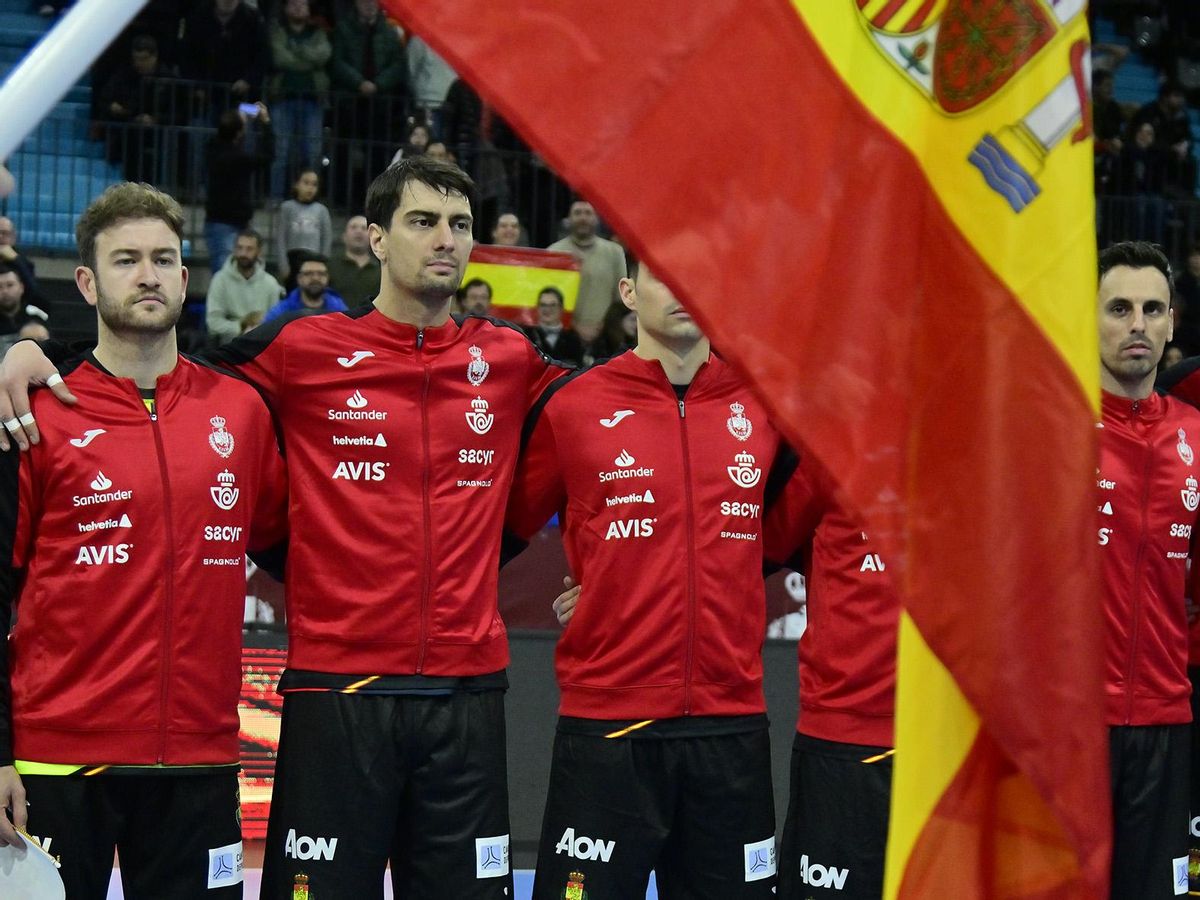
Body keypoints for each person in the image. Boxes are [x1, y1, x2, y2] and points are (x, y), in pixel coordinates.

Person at [0, 156, 573, 897]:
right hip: (309, 698)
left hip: (441, 701)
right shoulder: (296, 351)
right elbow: (147, 375)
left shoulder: (512, 358)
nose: (445, 240)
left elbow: (627, 400)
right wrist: (25, 352)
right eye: (424, 220)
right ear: (374, 238)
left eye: (460, 225)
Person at [0, 182, 287, 897]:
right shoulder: (36, 416)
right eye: (126, 260)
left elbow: (299, 548)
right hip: (58, 764)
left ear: (187, 280)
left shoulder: (242, 412)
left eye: (163, 258)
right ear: (90, 283)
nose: (148, 274)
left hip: (200, 760)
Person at [505, 256, 791, 899]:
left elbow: (786, 534)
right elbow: (497, 528)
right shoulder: (572, 405)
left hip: (731, 724)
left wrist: (684, 575)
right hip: (609, 728)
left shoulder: (767, 407)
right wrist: (615, 583)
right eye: (664, 274)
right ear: (629, 292)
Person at [1095, 241, 1200, 900]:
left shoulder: (1196, 434)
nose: (1138, 323)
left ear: (1171, 324)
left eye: (1152, 308)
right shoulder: (1047, 425)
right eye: (1120, 307)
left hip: (1166, 724)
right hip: (1069, 732)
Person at [762, 460, 899, 900]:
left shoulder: (993, 447)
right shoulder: (827, 446)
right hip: (843, 746)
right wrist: (612, 584)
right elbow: (737, 542)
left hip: (955, 752)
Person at [267, 0, 330, 198]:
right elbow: (279, 57)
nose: (298, 8)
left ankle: (311, 197)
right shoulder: (277, 30)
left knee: (312, 153)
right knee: (281, 152)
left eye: (302, 4)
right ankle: (276, 198)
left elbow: (324, 55)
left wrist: (295, 52)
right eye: (293, 4)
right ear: (285, 8)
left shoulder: (318, 32)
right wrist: (307, 59)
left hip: (313, 100)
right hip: (283, 97)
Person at [204, 104, 274, 274]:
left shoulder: (212, 148)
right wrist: (266, 123)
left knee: (229, 275)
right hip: (229, 223)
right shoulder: (238, 158)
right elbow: (267, 156)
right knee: (226, 275)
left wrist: (237, 118)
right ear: (239, 132)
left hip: (220, 221)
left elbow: (223, 132)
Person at [547, 200, 626, 343]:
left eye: (588, 213)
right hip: (564, 337)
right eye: (577, 213)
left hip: (606, 336)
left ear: (596, 219)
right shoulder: (554, 252)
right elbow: (548, 298)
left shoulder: (615, 252)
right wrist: (575, 326)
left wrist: (604, 325)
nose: (583, 218)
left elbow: (621, 298)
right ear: (569, 219)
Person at [205, 228, 285, 344]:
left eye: (249, 249)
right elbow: (213, 323)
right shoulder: (220, 280)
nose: (243, 253)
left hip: (261, 344)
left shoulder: (270, 283)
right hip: (227, 345)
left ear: (259, 252)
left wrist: (256, 330)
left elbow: (276, 324)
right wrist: (242, 327)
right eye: (239, 248)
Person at [276, 168, 332, 283]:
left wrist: (323, 264)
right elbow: (281, 238)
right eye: (306, 183)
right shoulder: (287, 208)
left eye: (314, 184)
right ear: (296, 185)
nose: (310, 188)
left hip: (314, 259)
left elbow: (326, 239)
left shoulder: (321, 210)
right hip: (292, 261)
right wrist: (283, 265)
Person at [263, 253, 346, 321]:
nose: (315, 278)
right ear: (299, 279)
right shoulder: (281, 312)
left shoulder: (340, 310)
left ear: (327, 278)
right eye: (309, 273)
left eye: (321, 274)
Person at [327, 214, 381, 306]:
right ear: (344, 236)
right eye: (353, 227)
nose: (358, 231)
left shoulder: (382, 269)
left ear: (372, 237)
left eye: (364, 228)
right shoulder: (329, 266)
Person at [524, 286, 583, 365]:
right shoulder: (527, 335)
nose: (547, 309)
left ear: (561, 308)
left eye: (553, 305)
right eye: (543, 305)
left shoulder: (573, 338)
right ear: (537, 308)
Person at [0, 262, 49, 347]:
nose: (5, 291)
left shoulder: (37, 316)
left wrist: (16, 259)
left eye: (10, 285)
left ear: (22, 287)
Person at [0, 216, 39, 300]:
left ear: (13, 238)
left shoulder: (23, 263)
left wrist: (16, 260)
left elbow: (34, 293)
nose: (0, 237)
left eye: (5, 233)